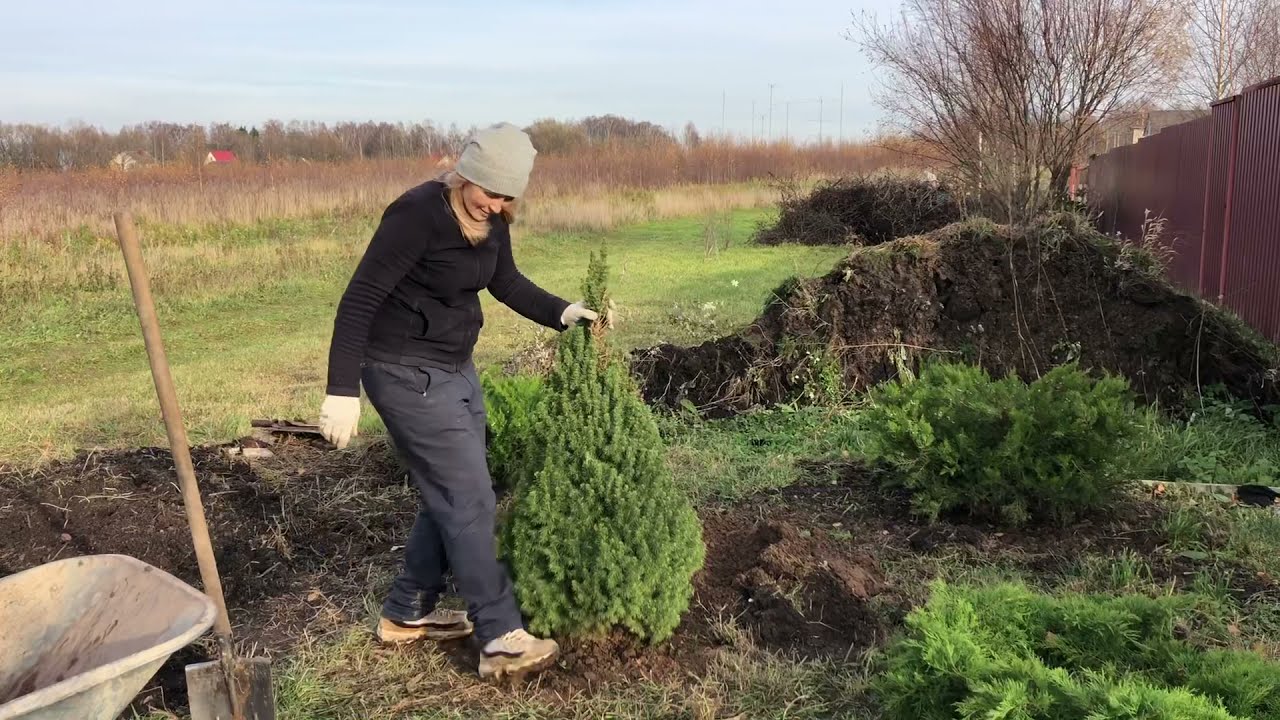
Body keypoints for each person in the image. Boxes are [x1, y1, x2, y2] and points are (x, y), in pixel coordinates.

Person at [316, 122, 597, 679]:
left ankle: (406, 613)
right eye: (489, 192)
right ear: (464, 174)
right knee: (469, 500)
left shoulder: (495, 222)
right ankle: (500, 635)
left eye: (507, 196)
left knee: (456, 491)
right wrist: (340, 391)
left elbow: (507, 282)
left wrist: (563, 313)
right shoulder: (417, 214)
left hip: (454, 370)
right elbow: (359, 300)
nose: (496, 204)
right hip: (400, 371)